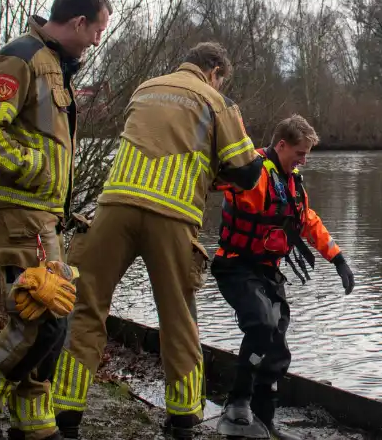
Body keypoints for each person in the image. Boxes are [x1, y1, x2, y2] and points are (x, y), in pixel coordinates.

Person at [50, 42, 265, 440]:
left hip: (114, 206)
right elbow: (248, 173)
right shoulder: (216, 100)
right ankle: (183, 418)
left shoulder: (146, 87)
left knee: (87, 309)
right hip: (172, 215)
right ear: (215, 71)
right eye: (221, 78)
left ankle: (66, 413)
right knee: (178, 318)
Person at [0, 0, 111, 440]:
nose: (98, 40)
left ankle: (33, 422)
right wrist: (35, 169)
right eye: (98, 30)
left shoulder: (54, 66)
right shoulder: (23, 58)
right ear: (78, 23)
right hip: (17, 209)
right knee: (39, 317)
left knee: (51, 318)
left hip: (40, 214)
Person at [213, 114, 356, 440]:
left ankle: (265, 420)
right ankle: (236, 404)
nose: (303, 160)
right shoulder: (254, 173)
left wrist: (338, 259)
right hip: (235, 266)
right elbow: (216, 179)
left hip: (267, 272)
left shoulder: (292, 182)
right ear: (281, 145)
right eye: (299, 153)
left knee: (277, 345)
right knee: (261, 325)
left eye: (306, 154)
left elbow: (307, 221)